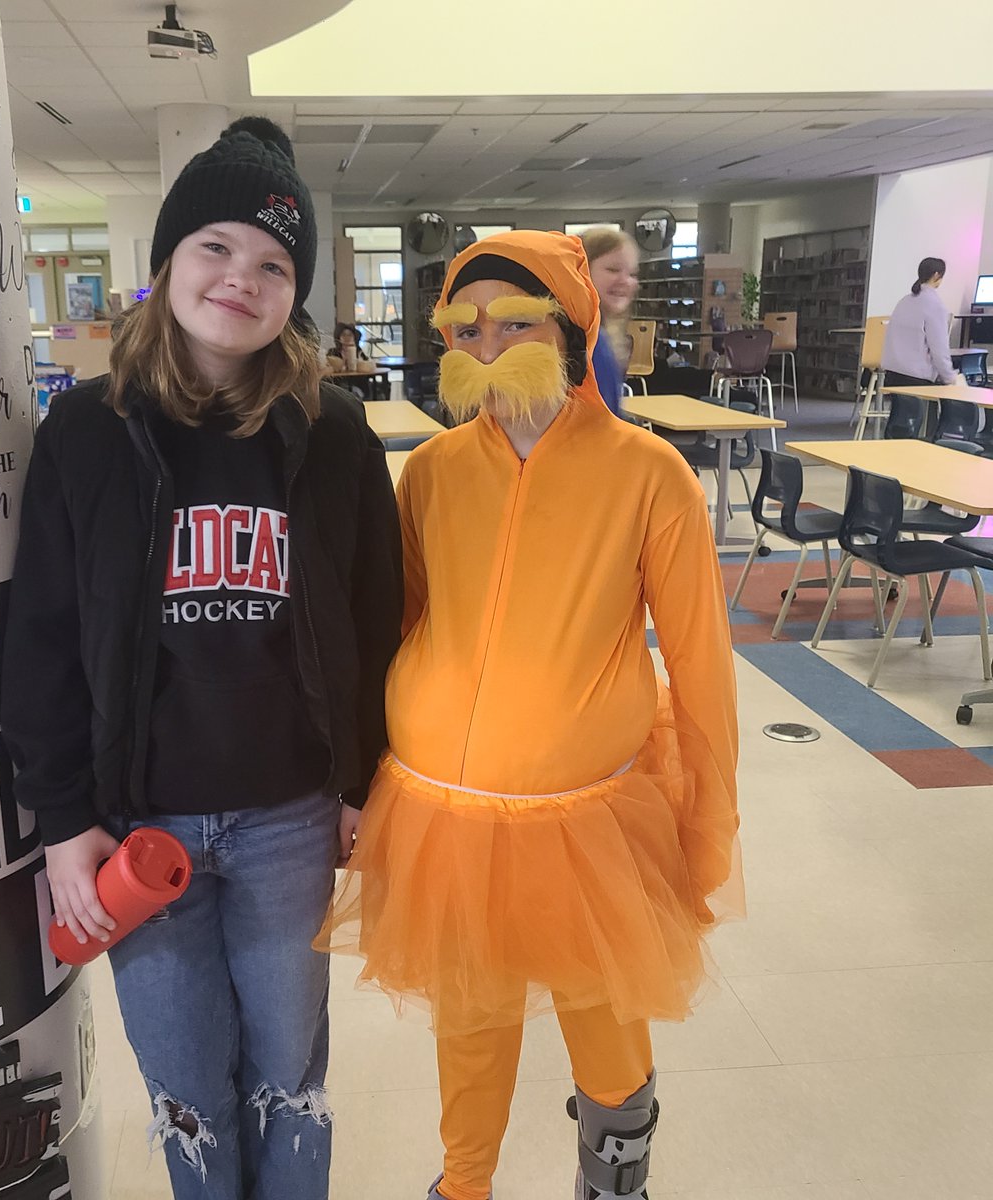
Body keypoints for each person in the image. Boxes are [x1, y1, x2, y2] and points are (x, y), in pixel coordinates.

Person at [1, 116, 402, 1200]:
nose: (242, 279)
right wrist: (64, 821)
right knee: (187, 1086)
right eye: (217, 246)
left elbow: (378, 618)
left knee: (289, 1075)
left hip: (290, 821)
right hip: (141, 826)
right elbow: (40, 637)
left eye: (274, 264)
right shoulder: (87, 433)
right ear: (169, 258)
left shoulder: (335, 433)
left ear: (295, 293)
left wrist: (363, 781)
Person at [318, 230, 742, 1200]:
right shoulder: (431, 472)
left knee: (605, 1007)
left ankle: (615, 1176)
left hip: (585, 813)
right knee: (469, 1014)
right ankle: (463, 1184)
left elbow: (702, 670)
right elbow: (395, 628)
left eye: (515, 323)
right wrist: (357, 781)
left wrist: (707, 825)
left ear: (570, 329)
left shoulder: (649, 476)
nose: (487, 347)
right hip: (442, 810)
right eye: (466, 329)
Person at [580, 226, 640, 414]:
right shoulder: (588, 342)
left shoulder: (601, 335)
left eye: (632, 274)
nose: (626, 281)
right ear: (582, 269)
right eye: (613, 270)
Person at [882, 256, 960, 388]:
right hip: (917, 378)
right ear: (937, 275)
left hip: (892, 373)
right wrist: (950, 377)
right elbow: (939, 349)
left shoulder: (904, 301)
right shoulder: (935, 305)